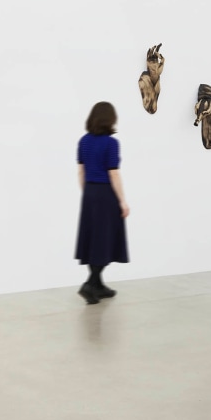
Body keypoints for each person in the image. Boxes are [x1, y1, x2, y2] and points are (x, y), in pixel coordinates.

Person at [75, 101, 129, 304]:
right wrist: (123, 201)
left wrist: (87, 193)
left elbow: (81, 171)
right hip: (106, 193)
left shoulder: (83, 141)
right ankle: (90, 284)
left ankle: (97, 285)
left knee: (94, 239)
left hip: (89, 192)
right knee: (104, 239)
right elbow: (113, 173)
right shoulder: (111, 143)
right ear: (110, 119)